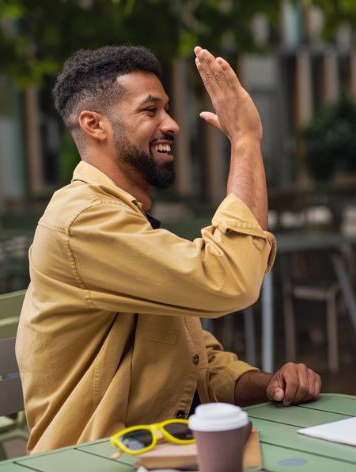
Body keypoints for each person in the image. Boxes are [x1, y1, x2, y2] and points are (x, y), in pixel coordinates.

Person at [16, 45, 321, 454]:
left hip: (159, 450)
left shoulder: (122, 216)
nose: (173, 125)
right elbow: (229, 279)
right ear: (94, 124)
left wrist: (267, 385)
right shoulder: (82, 220)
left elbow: (193, 360)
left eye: (167, 110)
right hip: (94, 457)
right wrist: (245, 140)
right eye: (150, 111)